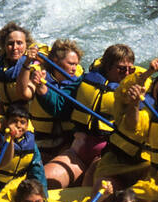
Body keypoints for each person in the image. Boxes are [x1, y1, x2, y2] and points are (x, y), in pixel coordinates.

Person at [47, 43, 143, 189]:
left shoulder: (136, 94)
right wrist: (41, 88)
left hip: (107, 159)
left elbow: (135, 128)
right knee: (46, 180)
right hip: (78, 152)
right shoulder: (85, 81)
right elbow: (60, 106)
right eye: (122, 68)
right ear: (108, 67)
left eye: (131, 69)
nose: (127, 73)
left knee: (90, 186)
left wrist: (134, 104)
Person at [28, 38, 83, 181]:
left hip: (66, 142)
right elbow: (23, 93)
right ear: (56, 62)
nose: (74, 68)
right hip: (41, 142)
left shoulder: (78, 83)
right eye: (70, 64)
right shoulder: (38, 76)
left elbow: (60, 109)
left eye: (76, 64)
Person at [0, 103, 46, 199]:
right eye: (14, 121)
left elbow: (38, 172)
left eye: (22, 122)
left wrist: (43, 196)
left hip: (19, 186)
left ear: (27, 125)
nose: (18, 126)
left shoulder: (31, 144)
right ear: (6, 122)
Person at [0, 21, 36, 109]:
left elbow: (25, 95)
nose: (15, 47)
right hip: (8, 117)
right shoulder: (1, 66)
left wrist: (26, 63)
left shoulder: (33, 66)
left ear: (26, 45)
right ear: (4, 46)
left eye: (19, 43)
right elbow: (3, 99)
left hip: (25, 118)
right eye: (10, 44)